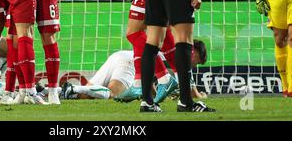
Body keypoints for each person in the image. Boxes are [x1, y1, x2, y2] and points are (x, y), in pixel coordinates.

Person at [60, 40, 208, 101]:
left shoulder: (172, 45)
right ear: (193, 51)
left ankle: (48, 91)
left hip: (121, 55)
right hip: (130, 62)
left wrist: (154, 95)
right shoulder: (182, 55)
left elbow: (150, 71)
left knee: (86, 94)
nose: (195, 66)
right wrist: (201, 96)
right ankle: (73, 87)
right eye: (198, 62)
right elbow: (192, 93)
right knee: (114, 94)